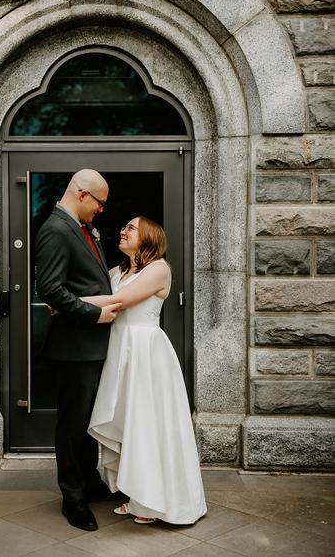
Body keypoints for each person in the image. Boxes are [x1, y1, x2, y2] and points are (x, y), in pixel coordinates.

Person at [85, 216, 207, 525]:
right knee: (129, 422)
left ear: (148, 238)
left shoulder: (159, 269)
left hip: (146, 352)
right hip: (120, 351)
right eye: (123, 226)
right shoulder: (118, 271)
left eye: (130, 228)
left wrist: (68, 302)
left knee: (149, 423)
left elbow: (119, 301)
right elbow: (107, 291)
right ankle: (137, 494)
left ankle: (155, 501)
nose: (122, 231)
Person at [35, 169, 122, 532]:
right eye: (100, 202)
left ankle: (89, 484)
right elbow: (50, 289)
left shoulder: (83, 228)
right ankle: (73, 499)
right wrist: (94, 312)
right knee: (72, 426)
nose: (101, 211)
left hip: (91, 346)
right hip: (74, 347)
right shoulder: (56, 229)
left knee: (86, 422)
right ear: (83, 194)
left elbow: (83, 280)